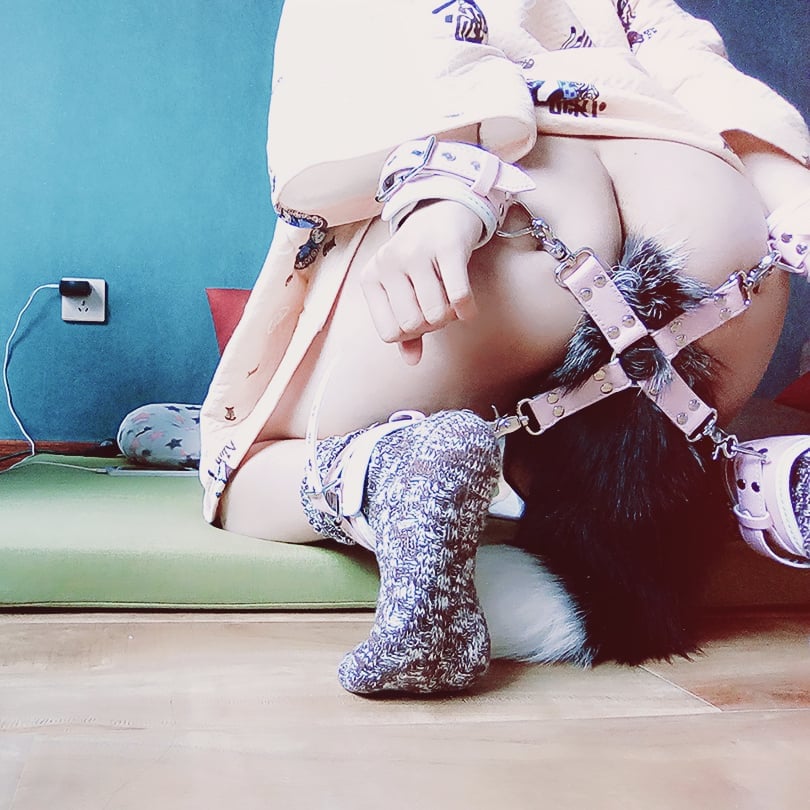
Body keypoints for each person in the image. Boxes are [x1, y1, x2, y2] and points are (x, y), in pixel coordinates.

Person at [199, 0, 810, 695]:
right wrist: (791, 193)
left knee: (237, 466)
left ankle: (387, 470)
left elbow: (395, 32)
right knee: (576, 427)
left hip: (513, 189)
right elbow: (689, 61)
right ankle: (723, 478)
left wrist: (445, 191)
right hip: (709, 208)